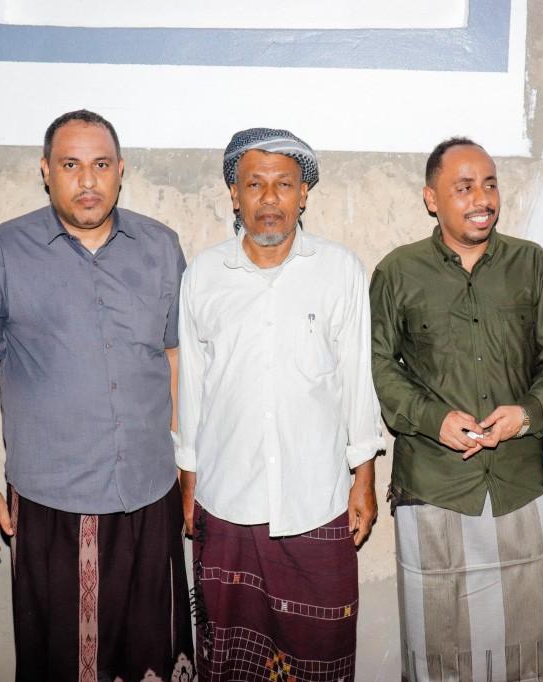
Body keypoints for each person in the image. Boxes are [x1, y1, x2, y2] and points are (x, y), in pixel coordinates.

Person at [0, 109, 193, 681]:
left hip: (150, 492)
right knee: (64, 661)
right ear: (46, 171)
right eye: (71, 165)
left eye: (100, 165)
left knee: (155, 653)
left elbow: (175, 358)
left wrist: (186, 466)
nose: (87, 181)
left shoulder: (160, 247)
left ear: (121, 171)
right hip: (53, 501)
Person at [175, 128, 384, 681]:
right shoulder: (203, 275)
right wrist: (189, 484)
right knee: (229, 655)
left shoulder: (339, 269)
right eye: (255, 184)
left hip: (316, 498)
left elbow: (356, 380)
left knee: (321, 651)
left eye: (284, 185)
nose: (269, 199)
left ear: (303, 194)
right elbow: (192, 388)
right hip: (226, 498)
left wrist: (363, 478)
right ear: (234, 194)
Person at [370, 137, 543, 681]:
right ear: (431, 198)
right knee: (441, 654)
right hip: (436, 486)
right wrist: (433, 420)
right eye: (463, 187)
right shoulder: (397, 272)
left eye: (489, 184)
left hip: (518, 485)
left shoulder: (531, 263)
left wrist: (526, 414)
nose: (482, 198)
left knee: (533, 651)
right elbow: (380, 367)